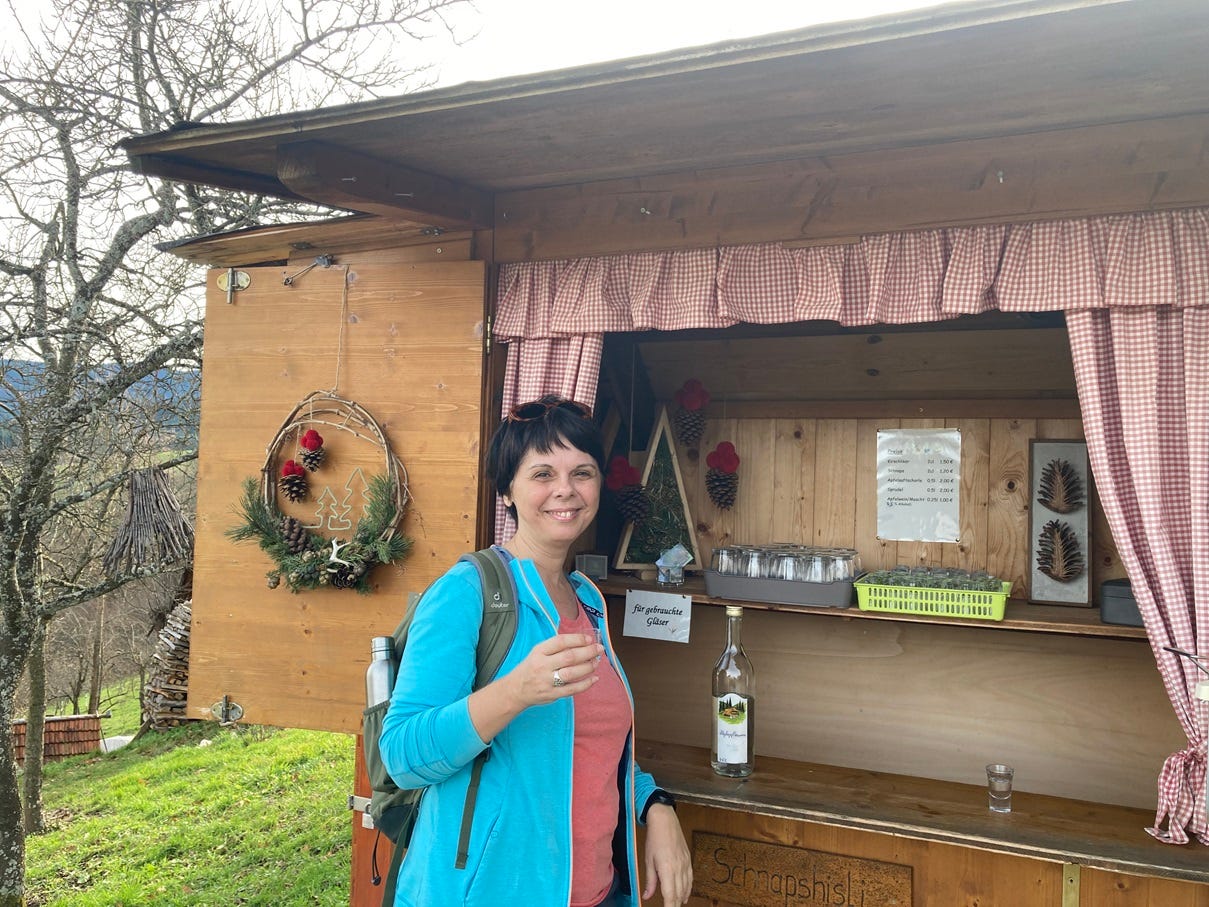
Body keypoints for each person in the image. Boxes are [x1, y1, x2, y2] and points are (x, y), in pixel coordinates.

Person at [379, 394, 694, 907]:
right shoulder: (467, 592)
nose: (565, 490)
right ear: (507, 489)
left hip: (594, 893)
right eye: (542, 473)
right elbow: (404, 757)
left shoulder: (587, 600)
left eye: (582, 472)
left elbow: (588, 746)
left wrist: (654, 804)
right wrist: (516, 691)